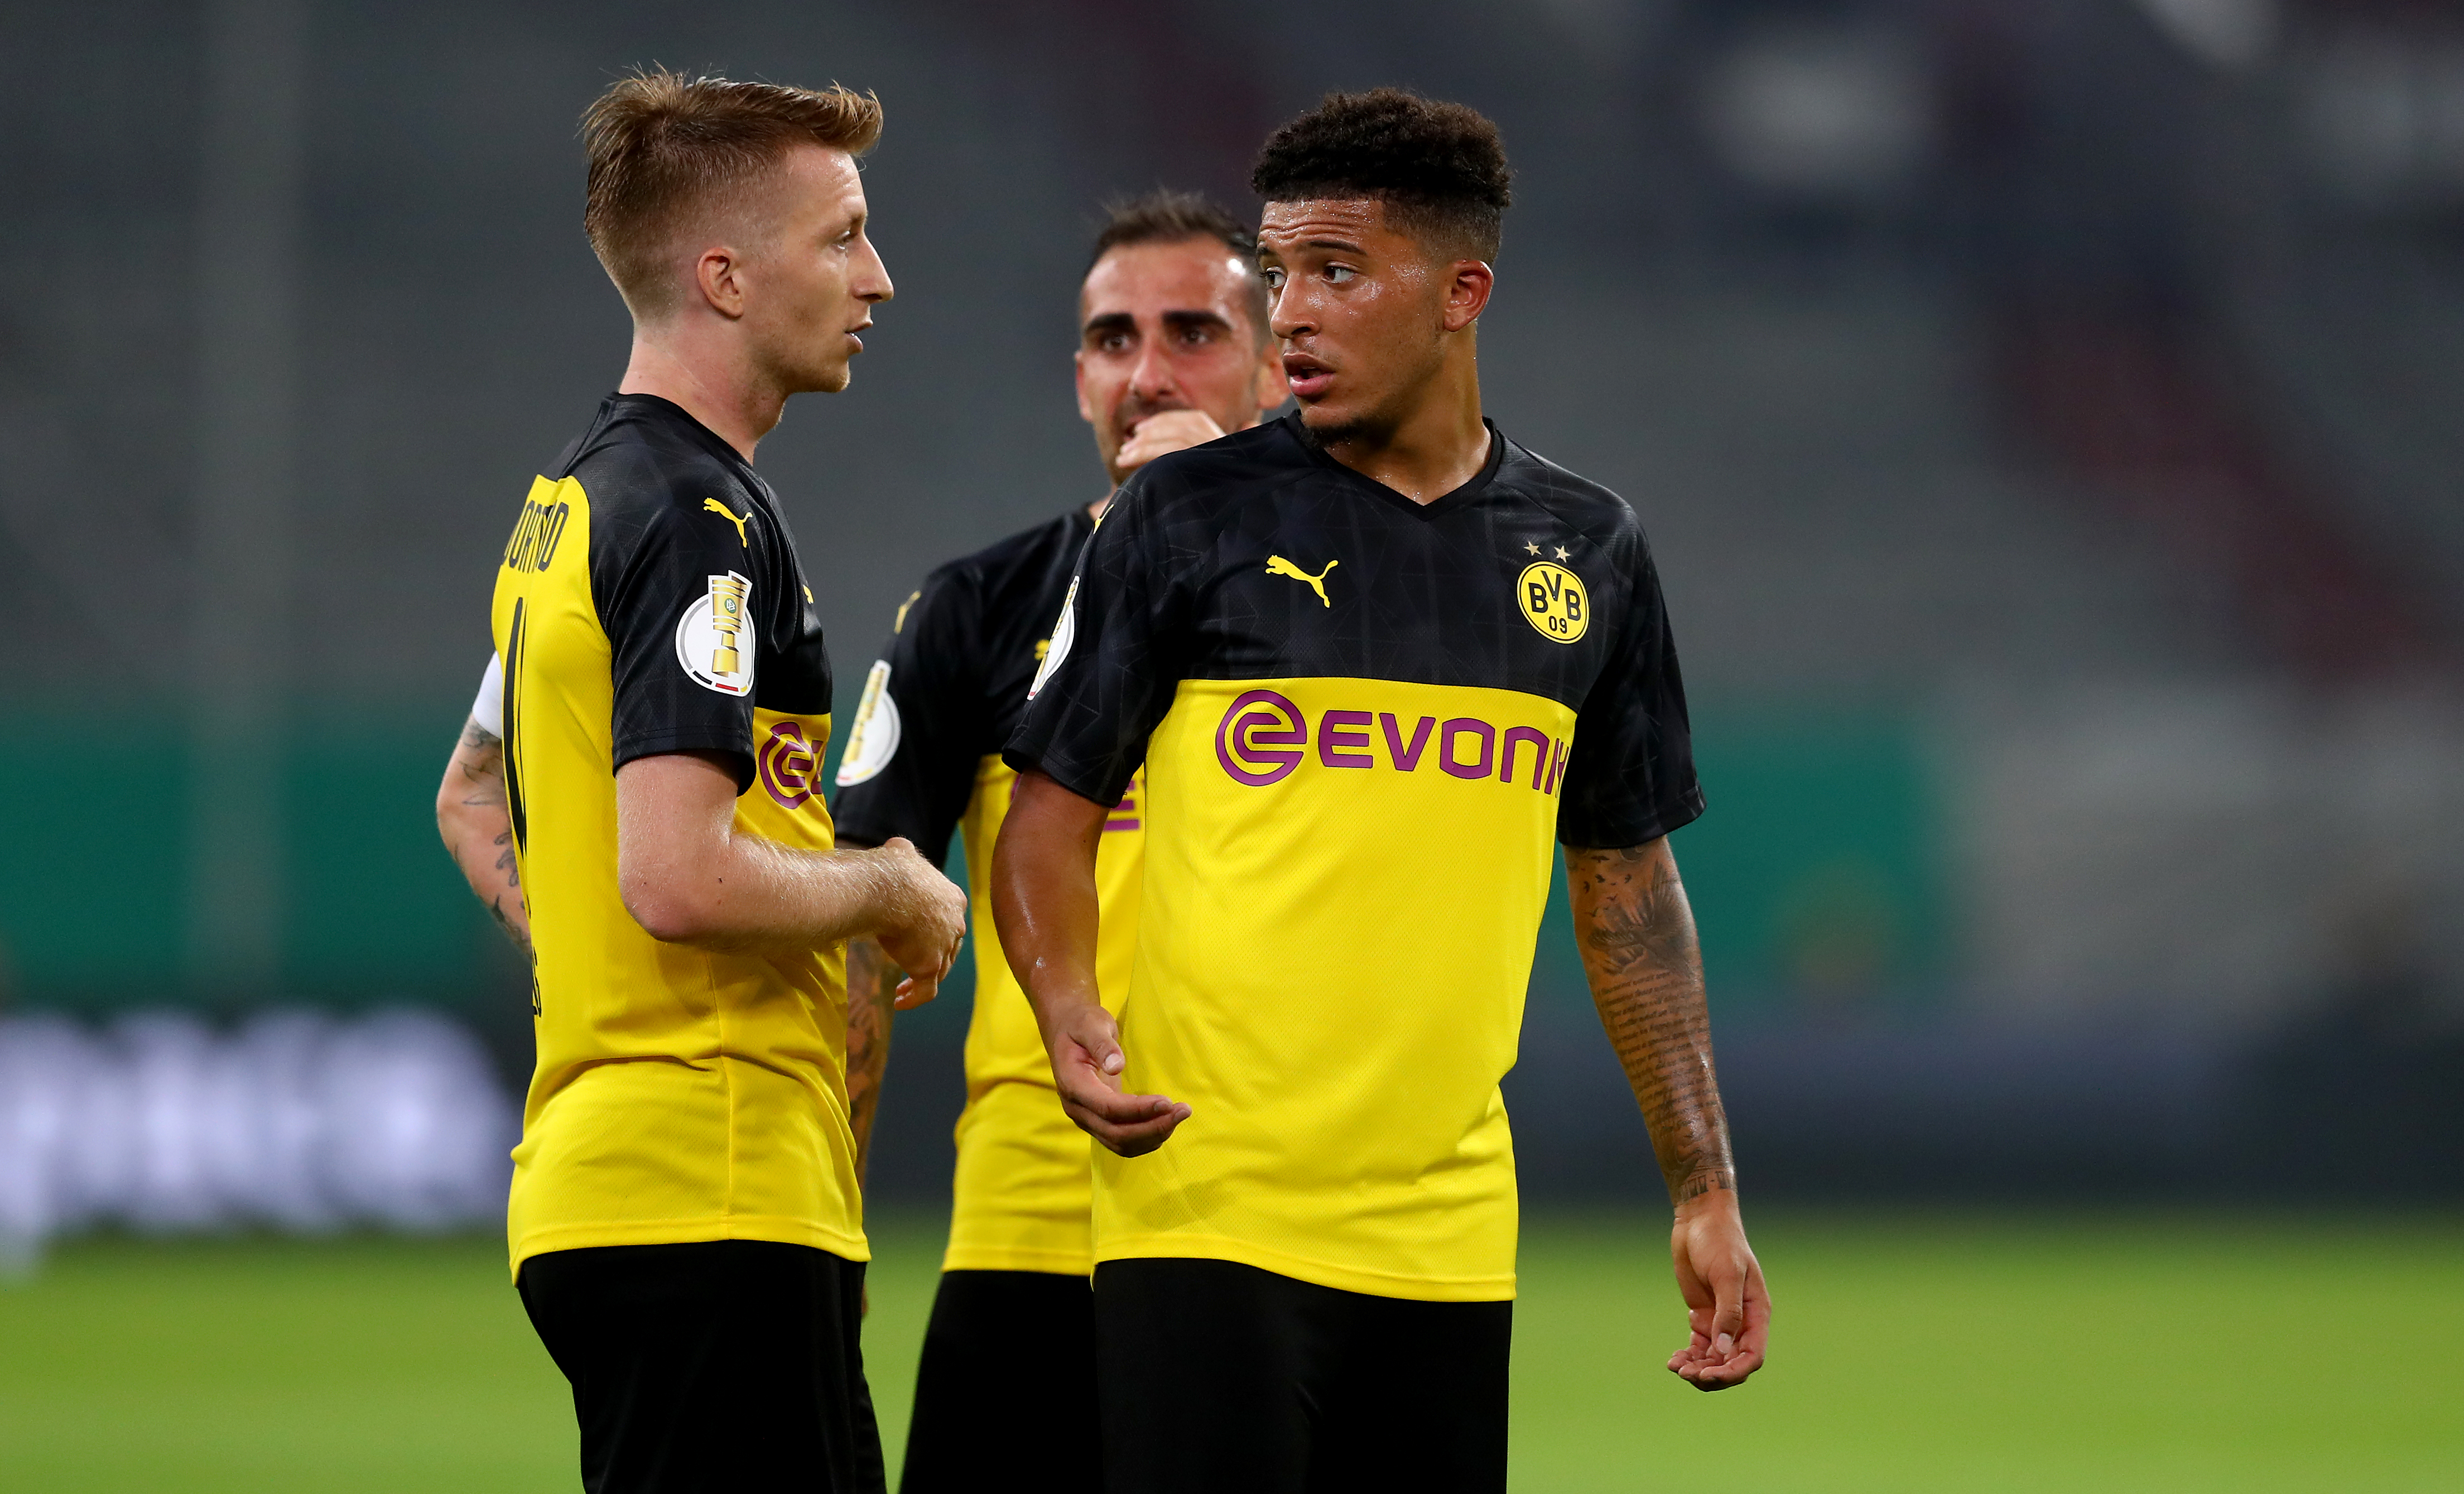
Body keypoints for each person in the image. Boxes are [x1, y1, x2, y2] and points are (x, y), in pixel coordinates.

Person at [992, 89, 1770, 1494]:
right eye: (1281, 273)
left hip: (1447, 1228)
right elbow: (1046, 810)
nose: (1291, 312)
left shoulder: (1585, 549)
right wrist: (1068, 1015)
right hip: (1201, 1203)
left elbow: (1627, 885)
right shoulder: (1189, 518)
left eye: (1338, 273)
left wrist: (1704, 1186)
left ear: (1462, 290)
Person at [437, 69, 966, 1494]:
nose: (881, 277)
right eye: (843, 236)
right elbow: (676, 875)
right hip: (712, 1186)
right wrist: (890, 885)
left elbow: (471, 794)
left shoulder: (567, 504)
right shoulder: (698, 520)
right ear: (725, 276)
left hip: (601, 1184)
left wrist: (587, 959)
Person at [829, 190, 1286, 1492]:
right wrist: (832, 1226)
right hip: (1027, 1230)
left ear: (1272, 362)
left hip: (1272, 1223)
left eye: (1194, 331)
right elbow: (868, 926)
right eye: (1112, 338)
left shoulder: (1355, 611)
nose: (1148, 373)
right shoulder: (976, 609)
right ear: (1077, 375)